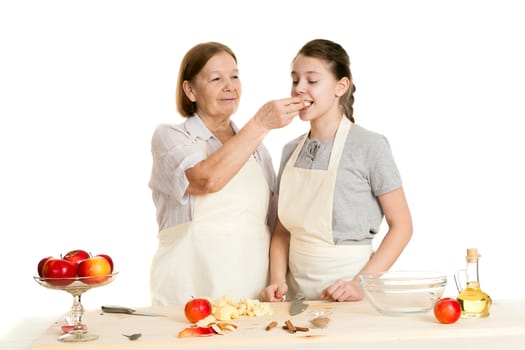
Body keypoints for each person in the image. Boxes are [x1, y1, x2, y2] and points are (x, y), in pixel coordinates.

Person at [149, 42, 304, 306]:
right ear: (190, 90)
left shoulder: (258, 153)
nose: (230, 86)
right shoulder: (171, 137)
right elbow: (206, 180)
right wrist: (261, 123)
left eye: (234, 76)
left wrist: (276, 281)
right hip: (188, 294)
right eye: (216, 78)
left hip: (251, 295)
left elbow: (274, 224)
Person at [261, 39, 413, 302]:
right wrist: (276, 280)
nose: (299, 89)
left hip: (349, 292)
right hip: (295, 296)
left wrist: (359, 285)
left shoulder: (370, 146)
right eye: (295, 80)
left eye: (312, 80)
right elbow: (282, 230)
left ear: (340, 87)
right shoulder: (290, 150)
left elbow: (402, 226)